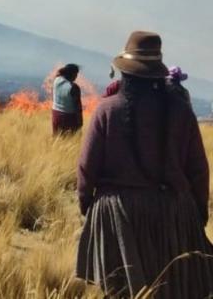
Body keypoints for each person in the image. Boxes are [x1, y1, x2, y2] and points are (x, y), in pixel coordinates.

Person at [76, 31, 213, 298]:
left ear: (125, 73)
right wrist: (197, 215)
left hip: (117, 216)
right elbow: (199, 169)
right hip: (172, 211)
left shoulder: (106, 110)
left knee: (124, 291)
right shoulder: (182, 111)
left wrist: (88, 208)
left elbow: (86, 169)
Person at [51, 63, 83, 135]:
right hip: (69, 117)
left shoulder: (56, 80)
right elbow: (77, 107)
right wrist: (80, 122)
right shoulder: (73, 87)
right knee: (71, 140)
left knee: (57, 139)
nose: (76, 76)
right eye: (76, 73)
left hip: (55, 114)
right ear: (72, 74)